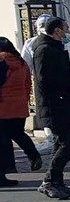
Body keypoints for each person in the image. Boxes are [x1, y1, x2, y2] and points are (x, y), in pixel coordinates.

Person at [31, 17, 70, 200]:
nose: (68, 32)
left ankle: (57, 182)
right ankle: (49, 181)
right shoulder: (44, 50)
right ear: (57, 31)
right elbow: (44, 81)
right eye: (66, 28)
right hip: (53, 106)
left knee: (61, 144)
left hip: (63, 104)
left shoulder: (58, 49)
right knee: (69, 144)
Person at [0, 37, 40, 187]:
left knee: (3, 140)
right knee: (18, 133)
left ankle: (5, 171)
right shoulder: (22, 63)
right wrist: (22, 100)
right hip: (19, 106)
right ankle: (33, 155)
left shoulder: (1, 61)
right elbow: (27, 85)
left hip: (2, 107)